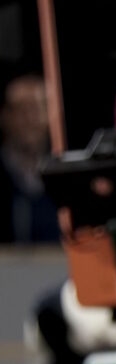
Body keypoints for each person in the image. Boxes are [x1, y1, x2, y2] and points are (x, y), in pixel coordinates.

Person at [0, 74, 59, 244]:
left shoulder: (63, 173)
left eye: (39, 109)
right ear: (5, 116)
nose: (31, 119)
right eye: (22, 110)